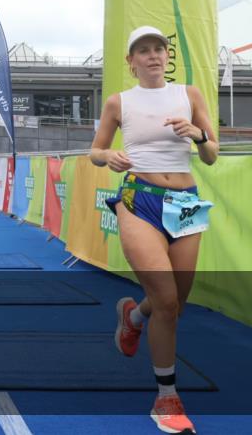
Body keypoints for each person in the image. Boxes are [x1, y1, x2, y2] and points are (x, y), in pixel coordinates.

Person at [89, 26, 218, 435]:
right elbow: (95, 151)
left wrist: (198, 136)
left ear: (167, 56)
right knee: (166, 300)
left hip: (186, 202)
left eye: (158, 49)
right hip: (139, 197)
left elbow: (213, 154)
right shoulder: (118, 102)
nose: (152, 56)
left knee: (175, 303)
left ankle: (133, 314)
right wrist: (108, 155)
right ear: (131, 62)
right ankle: (167, 396)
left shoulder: (190, 95)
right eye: (142, 51)